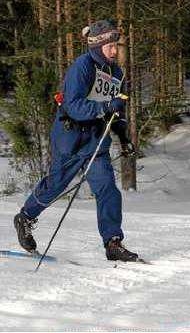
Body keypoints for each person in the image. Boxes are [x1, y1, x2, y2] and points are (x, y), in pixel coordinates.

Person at [14, 19, 139, 262]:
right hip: (70, 136)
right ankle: (25, 217)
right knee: (55, 186)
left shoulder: (117, 73)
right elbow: (73, 105)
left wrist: (123, 137)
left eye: (116, 45)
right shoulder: (82, 66)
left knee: (108, 190)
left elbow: (116, 110)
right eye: (110, 46)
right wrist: (104, 107)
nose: (115, 51)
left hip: (95, 140)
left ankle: (113, 242)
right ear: (97, 45)